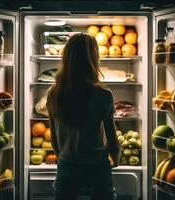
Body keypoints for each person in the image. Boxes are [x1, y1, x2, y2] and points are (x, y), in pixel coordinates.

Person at [46, 33, 121, 200]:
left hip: (67, 164)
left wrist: (61, 157)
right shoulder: (103, 94)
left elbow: (53, 136)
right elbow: (111, 136)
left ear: (66, 58)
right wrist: (115, 156)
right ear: (93, 59)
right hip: (96, 165)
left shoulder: (53, 93)